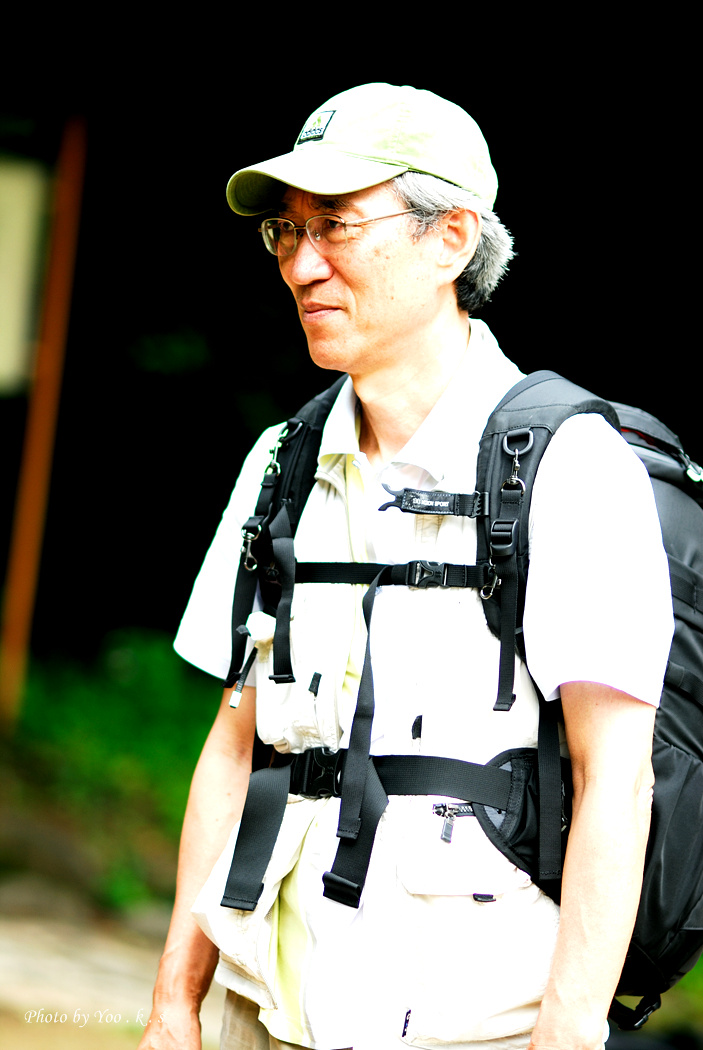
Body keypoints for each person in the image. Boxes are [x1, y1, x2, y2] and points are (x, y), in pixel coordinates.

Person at [138, 84, 674, 1050]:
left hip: (480, 1029)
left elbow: (616, 776)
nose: (302, 264)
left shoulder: (570, 467)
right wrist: (175, 1002)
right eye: (286, 232)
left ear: (450, 240)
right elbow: (235, 750)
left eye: (336, 226)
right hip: (269, 1014)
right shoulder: (281, 464)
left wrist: (568, 1032)